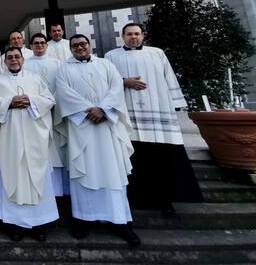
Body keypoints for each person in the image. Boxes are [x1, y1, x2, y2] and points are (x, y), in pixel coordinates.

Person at [105, 23, 203, 214]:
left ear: (143, 36)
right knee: (134, 158)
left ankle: (165, 200)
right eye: (129, 34)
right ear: (122, 36)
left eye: (136, 34)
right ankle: (135, 198)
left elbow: (169, 77)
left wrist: (175, 102)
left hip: (158, 112)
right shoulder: (111, 56)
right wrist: (124, 81)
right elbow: (106, 80)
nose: (133, 37)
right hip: (130, 115)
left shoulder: (157, 53)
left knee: (162, 159)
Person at [55, 34, 140, 247]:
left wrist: (103, 110)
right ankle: (83, 219)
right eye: (75, 46)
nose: (80, 48)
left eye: (83, 44)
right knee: (84, 172)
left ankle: (121, 221)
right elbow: (64, 94)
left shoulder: (106, 64)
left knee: (112, 172)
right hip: (81, 127)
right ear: (70, 48)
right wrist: (88, 110)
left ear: (90, 45)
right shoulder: (64, 68)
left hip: (107, 128)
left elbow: (116, 89)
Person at [0, 47, 58, 242]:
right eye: (9, 58)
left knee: (37, 176)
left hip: (34, 136)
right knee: (12, 175)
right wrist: (9, 102)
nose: (13, 60)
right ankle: (14, 224)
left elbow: (49, 99)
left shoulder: (35, 79)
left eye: (17, 56)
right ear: (5, 62)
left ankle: (39, 223)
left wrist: (30, 100)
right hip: (9, 138)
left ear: (23, 59)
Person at [24, 33, 68, 197]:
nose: (40, 45)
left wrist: (50, 102)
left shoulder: (58, 64)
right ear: (31, 46)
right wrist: (39, 104)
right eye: (36, 43)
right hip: (34, 113)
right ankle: (43, 190)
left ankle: (60, 190)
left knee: (56, 152)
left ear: (47, 45)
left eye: (42, 43)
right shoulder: (25, 65)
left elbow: (62, 86)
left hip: (54, 111)